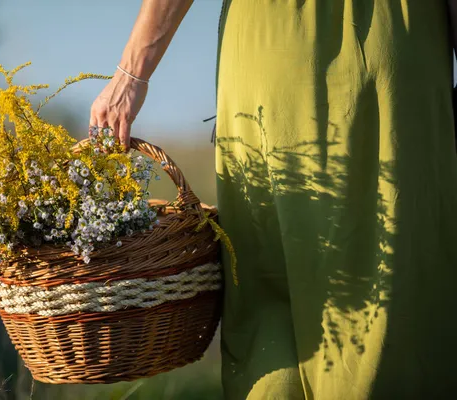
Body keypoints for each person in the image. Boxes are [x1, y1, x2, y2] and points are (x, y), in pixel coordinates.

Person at [89, 1, 457, 398]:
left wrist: (131, 75)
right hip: (393, 45)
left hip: (271, 46)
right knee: (388, 278)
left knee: (270, 276)